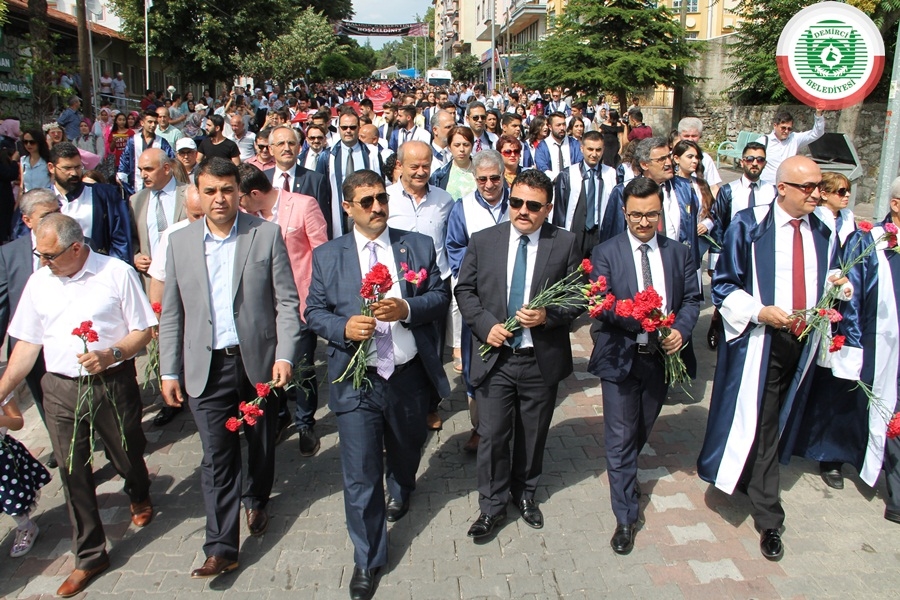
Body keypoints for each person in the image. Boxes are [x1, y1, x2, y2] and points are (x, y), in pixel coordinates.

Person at [697, 155, 852, 561]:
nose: (817, 195)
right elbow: (724, 285)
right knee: (764, 421)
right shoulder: (750, 226)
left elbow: (828, 275)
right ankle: (769, 516)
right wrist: (760, 311)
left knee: (781, 416)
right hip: (763, 340)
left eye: (819, 186)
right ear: (782, 188)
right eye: (808, 187)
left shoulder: (823, 229)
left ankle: (748, 475)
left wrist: (839, 286)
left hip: (804, 341)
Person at [304, 169, 450, 600]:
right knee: (361, 474)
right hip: (357, 380)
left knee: (406, 449)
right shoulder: (329, 256)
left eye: (381, 198)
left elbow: (440, 297)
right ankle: (368, 558)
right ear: (347, 207)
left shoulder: (415, 246)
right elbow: (314, 312)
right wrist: (343, 327)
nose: (377, 207)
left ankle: (402, 486)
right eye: (366, 201)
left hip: (407, 376)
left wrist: (406, 307)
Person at [158, 158, 304, 579]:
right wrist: (169, 371)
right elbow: (172, 314)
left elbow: (286, 301)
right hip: (205, 367)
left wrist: (285, 355)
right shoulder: (179, 242)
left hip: (257, 362)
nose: (219, 198)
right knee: (217, 457)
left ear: (239, 191)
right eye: (210, 191)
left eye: (226, 189)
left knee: (260, 442)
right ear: (197, 194)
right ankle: (221, 547)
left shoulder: (264, 234)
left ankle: (257, 498)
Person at [0, 213, 155, 597]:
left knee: (126, 452)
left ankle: (138, 490)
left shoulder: (115, 273)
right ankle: (90, 556)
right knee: (73, 472)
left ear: (75, 248)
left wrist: (111, 353)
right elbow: (27, 344)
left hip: (110, 383)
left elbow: (144, 331)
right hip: (59, 389)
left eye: (49, 255)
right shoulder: (40, 282)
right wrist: (1, 390)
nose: (42, 262)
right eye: (39, 254)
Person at [456, 169, 581, 540]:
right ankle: (491, 507)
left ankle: (525, 494)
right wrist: (485, 325)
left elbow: (578, 296)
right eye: (516, 202)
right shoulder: (484, 240)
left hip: (538, 360)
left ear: (548, 209)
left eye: (533, 206)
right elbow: (465, 291)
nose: (523, 211)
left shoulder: (564, 242)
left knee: (533, 434)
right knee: (493, 436)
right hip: (496, 359)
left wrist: (547, 316)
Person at [588, 177, 701, 554]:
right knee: (620, 436)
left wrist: (680, 330)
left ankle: (624, 472)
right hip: (620, 357)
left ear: (660, 212)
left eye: (651, 214)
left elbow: (692, 300)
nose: (643, 222)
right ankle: (625, 516)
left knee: (640, 429)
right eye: (636, 215)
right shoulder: (606, 252)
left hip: (660, 360)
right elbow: (600, 303)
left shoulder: (679, 253)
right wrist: (639, 316)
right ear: (624, 212)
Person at [785, 176, 900, 522]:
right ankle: (833, 455)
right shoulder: (869, 241)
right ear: (896, 205)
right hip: (873, 337)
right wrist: (850, 339)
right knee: (852, 398)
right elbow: (852, 292)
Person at [237, 163, 328, 456]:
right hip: (262, 307)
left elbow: (322, 253)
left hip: (299, 302)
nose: (238, 205)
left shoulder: (303, 205)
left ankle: (305, 422)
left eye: (240, 198)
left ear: (254, 193)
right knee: (269, 365)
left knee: (302, 366)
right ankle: (279, 415)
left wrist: (317, 300)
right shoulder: (246, 219)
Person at [787, 171, 857, 489]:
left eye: (848, 191)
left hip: (843, 310)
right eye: (840, 191)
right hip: (812, 311)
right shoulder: (814, 223)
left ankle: (831, 453)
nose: (846, 196)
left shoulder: (854, 225)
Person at [386, 141, 454, 431]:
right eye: (414, 166)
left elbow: (452, 239)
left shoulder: (444, 200)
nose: (421, 171)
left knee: (433, 347)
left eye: (426, 165)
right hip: (396, 285)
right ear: (400, 165)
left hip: (434, 284)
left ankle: (430, 405)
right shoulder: (386, 199)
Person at [446, 149, 510, 453]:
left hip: (512, 296)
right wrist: (481, 275)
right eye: (482, 179)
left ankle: (507, 423)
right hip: (478, 298)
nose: (489, 184)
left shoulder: (518, 203)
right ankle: (479, 427)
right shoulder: (463, 208)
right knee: (477, 361)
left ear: (504, 176)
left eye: (494, 178)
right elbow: (455, 248)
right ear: (474, 178)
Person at [0, 189, 61, 436]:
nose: (55, 218)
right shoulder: (9, 254)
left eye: (58, 211)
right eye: (46, 215)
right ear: (27, 220)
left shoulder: (77, 243)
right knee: (46, 404)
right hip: (30, 346)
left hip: (69, 340)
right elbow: (3, 305)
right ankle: (64, 447)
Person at [707, 142, 776, 349]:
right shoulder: (729, 191)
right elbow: (718, 225)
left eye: (760, 160)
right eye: (750, 159)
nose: (755, 163)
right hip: (734, 253)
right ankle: (718, 326)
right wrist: (714, 261)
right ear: (742, 161)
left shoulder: (772, 191)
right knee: (729, 295)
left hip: (761, 254)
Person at [48, 142, 132, 262]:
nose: (74, 173)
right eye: (67, 168)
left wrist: (115, 268)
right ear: (51, 167)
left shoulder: (105, 195)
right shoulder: (41, 201)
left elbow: (121, 239)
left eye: (78, 167)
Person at [552, 131, 619, 258]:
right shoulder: (568, 175)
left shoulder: (611, 174)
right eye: (590, 149)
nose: (594, 154)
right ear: (582, 148)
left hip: (600, 233)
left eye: (598, 150)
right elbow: (560, 212)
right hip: (576, 231)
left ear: (603, 150)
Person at [316, 110, 381, 239]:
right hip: (339, 214)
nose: (348, 131)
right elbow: (321, 192)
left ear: (359, 128)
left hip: (365, 210)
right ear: (338, 128)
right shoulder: (327, 156)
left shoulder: (372, 154)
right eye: (344, 127)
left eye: (352, 127)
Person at [1, 392, 51, 557]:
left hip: (2, 459)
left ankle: (26, 527)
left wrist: (2, 420)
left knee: (10, 496)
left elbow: (17, 421)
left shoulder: (2, 387)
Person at [757, 107, 826, 184]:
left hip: (787, 185)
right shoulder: (763, 141)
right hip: (767, 185)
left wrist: (819, 114)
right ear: (775, 125)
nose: (786, 131)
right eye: (783, 128)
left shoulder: (794, 139)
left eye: (789, 129)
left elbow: (817, 133)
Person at [117, 110, 175, 196]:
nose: (153, 125)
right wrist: (122, 175)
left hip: (156, 186)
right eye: (150, 122)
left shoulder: (162, 142)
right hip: (135, 185)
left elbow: (171, 160)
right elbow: (125, 160)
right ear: (142, 123)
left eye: (155, 122)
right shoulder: (133, 141)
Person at [534, 112, 584, 182]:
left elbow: (580, 164)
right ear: (550, 127)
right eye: (558, 125)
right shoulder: (542, 146)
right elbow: (542, 168)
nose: (562, 128)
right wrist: (560, 179)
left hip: (573, 183)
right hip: (551, 185)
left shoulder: (574, 144)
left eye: (564, 124)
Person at [431, 126, 476, 202]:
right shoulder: (439, 175)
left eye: (466, 145)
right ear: (449, 147)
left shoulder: (483, 171)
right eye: (457, 145)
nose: (462, 149)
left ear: (472, 146)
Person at [19, 128, 52, 194]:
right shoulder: (23, 160)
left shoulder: (48, 160)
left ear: (39, 142)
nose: (28, 145)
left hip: (45, 197)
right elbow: (22, 185)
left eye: (32, 142)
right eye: (25, 142)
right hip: (28, 198)